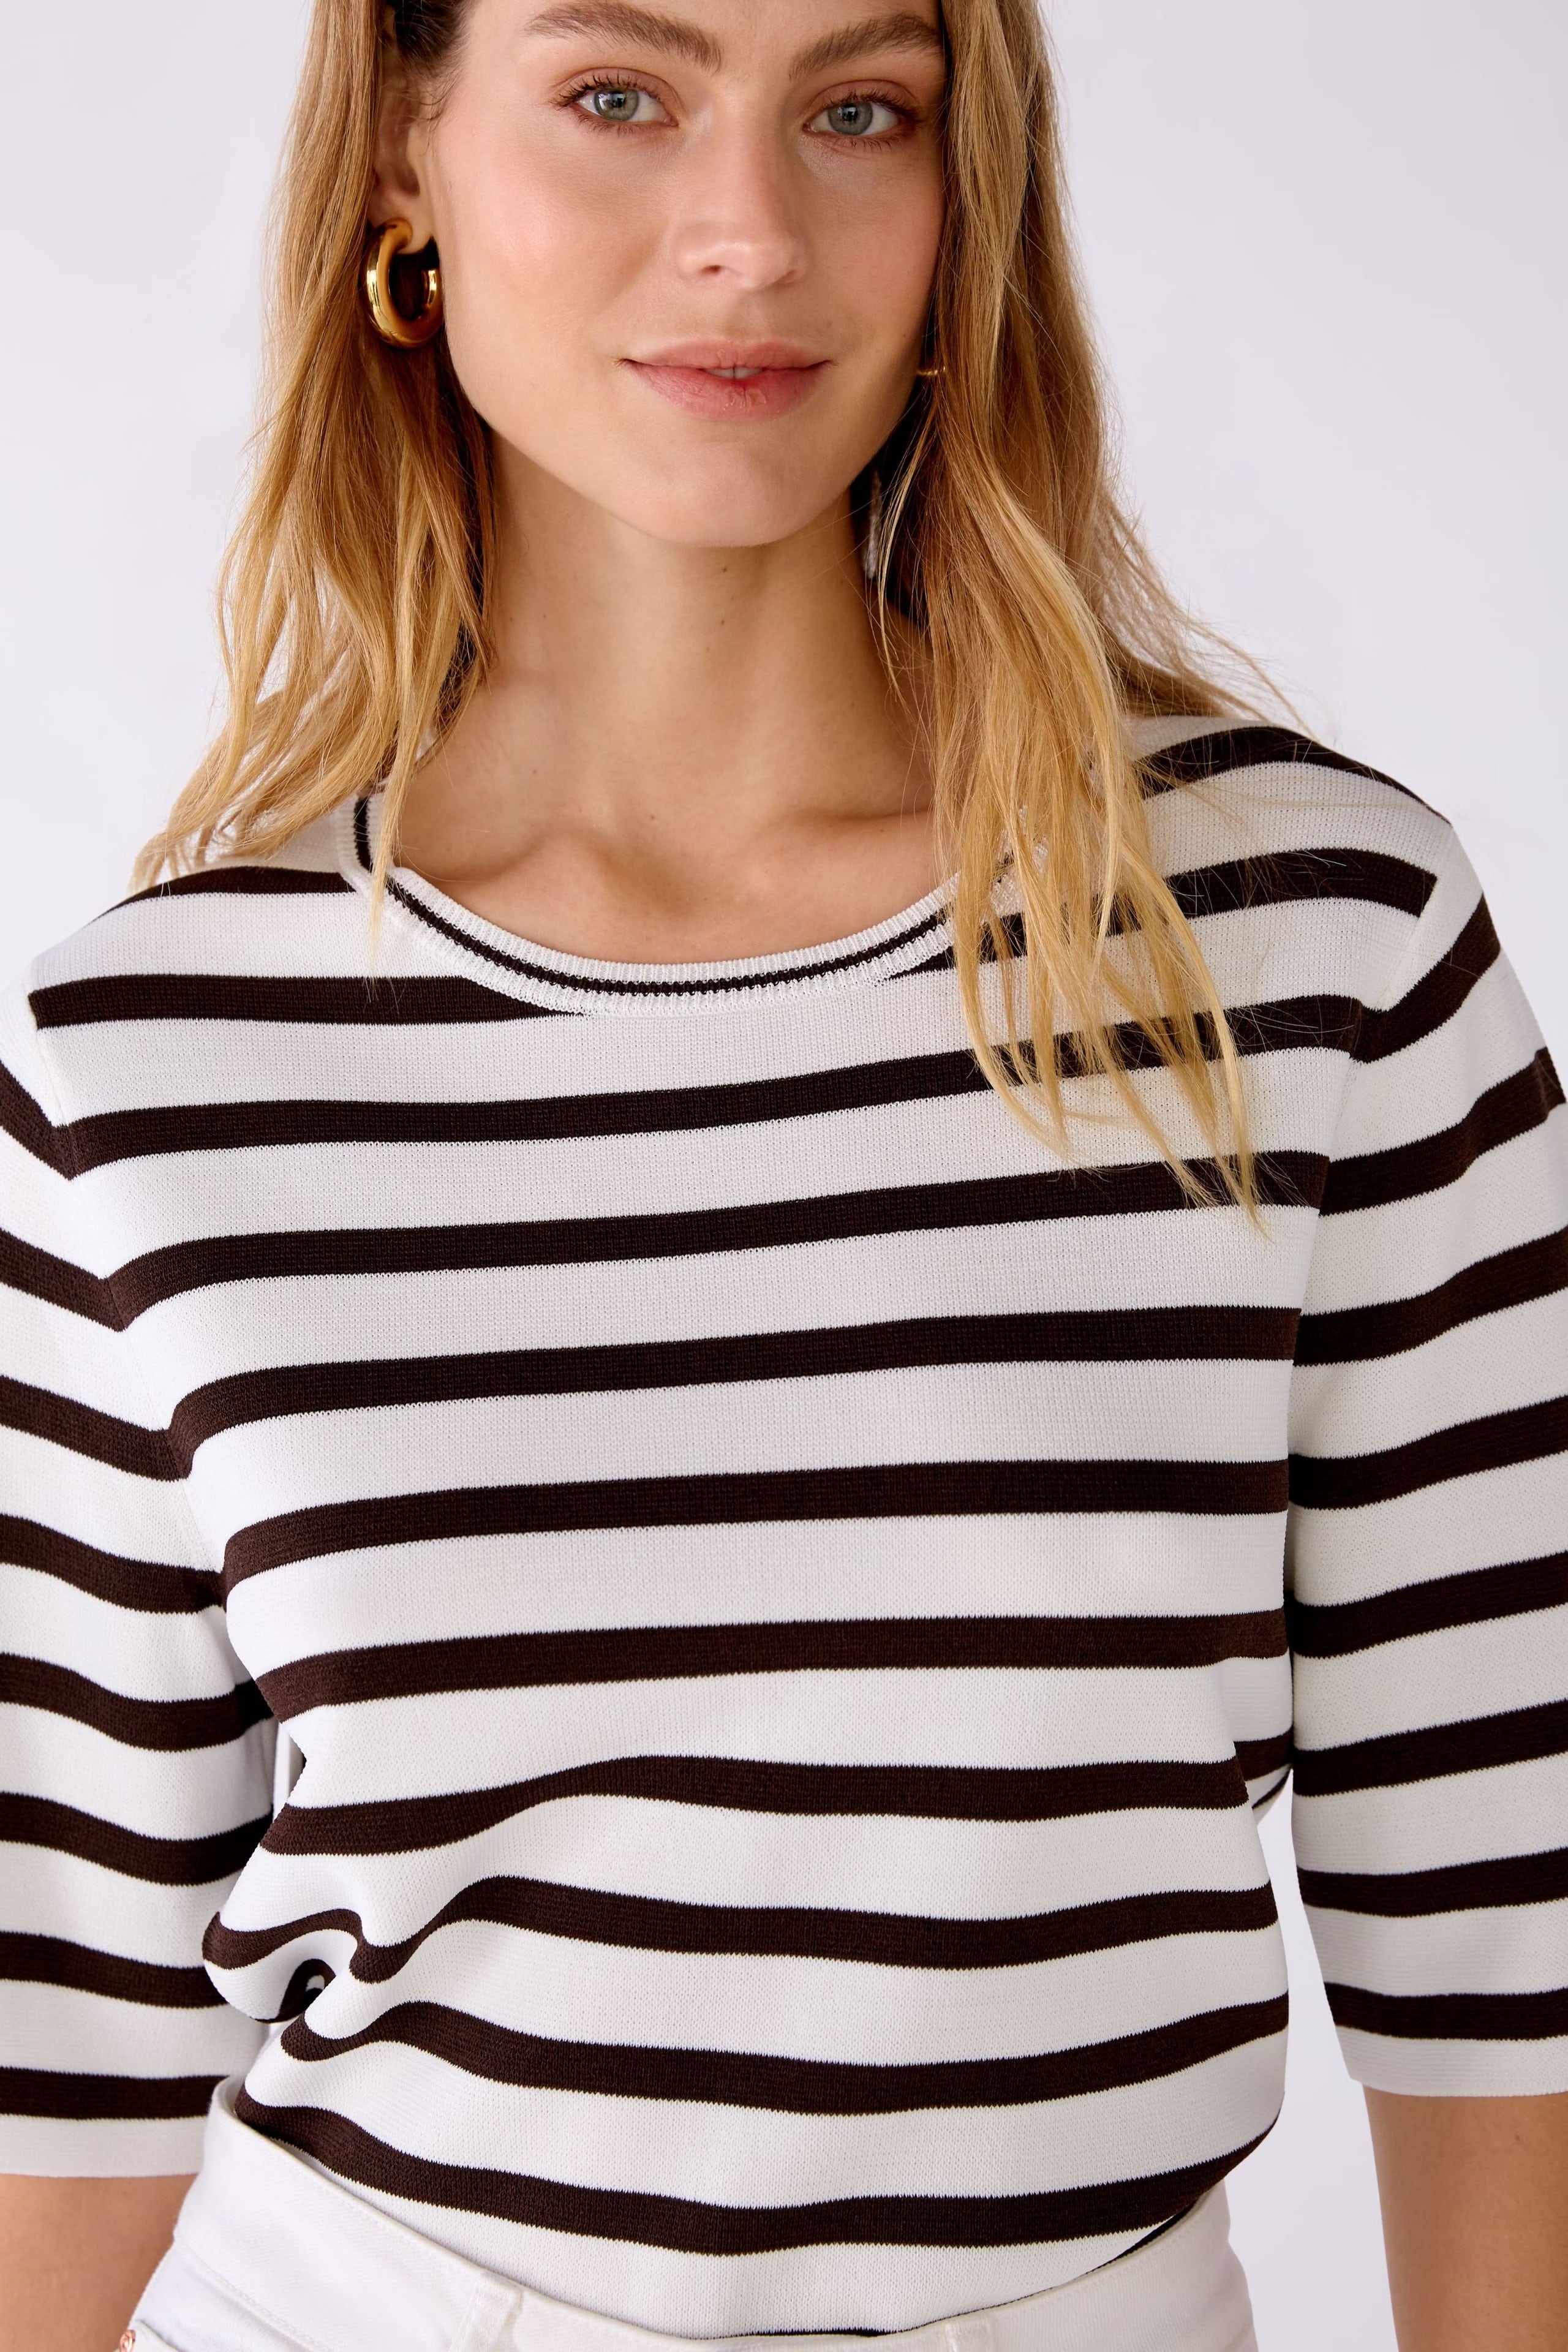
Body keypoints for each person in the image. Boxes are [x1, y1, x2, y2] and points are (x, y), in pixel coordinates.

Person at [1, 0, 1565, 2345]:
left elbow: (1506, 1913)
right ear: (408, 162)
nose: (747, 232)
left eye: (858, 111)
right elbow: (73, 2035)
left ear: (964, 199)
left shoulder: (1310, 949)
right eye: (618, 96)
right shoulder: (150, 1057)